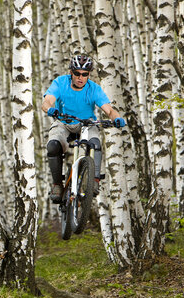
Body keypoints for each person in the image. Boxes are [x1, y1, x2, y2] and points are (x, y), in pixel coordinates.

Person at [41, 55, 126, 202]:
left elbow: (110, 110)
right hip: (64, 122)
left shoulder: (94, 89)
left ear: (88, 75)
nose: (81, 77)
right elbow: (47, 101)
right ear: (71, 72)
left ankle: (94, 180)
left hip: (87, 124)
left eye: (85, 74)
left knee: (95, 143)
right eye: (77, 73)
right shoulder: (60, 83)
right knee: (53, 146)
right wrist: (50, 109)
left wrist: (116, 118)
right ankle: (57, 184)